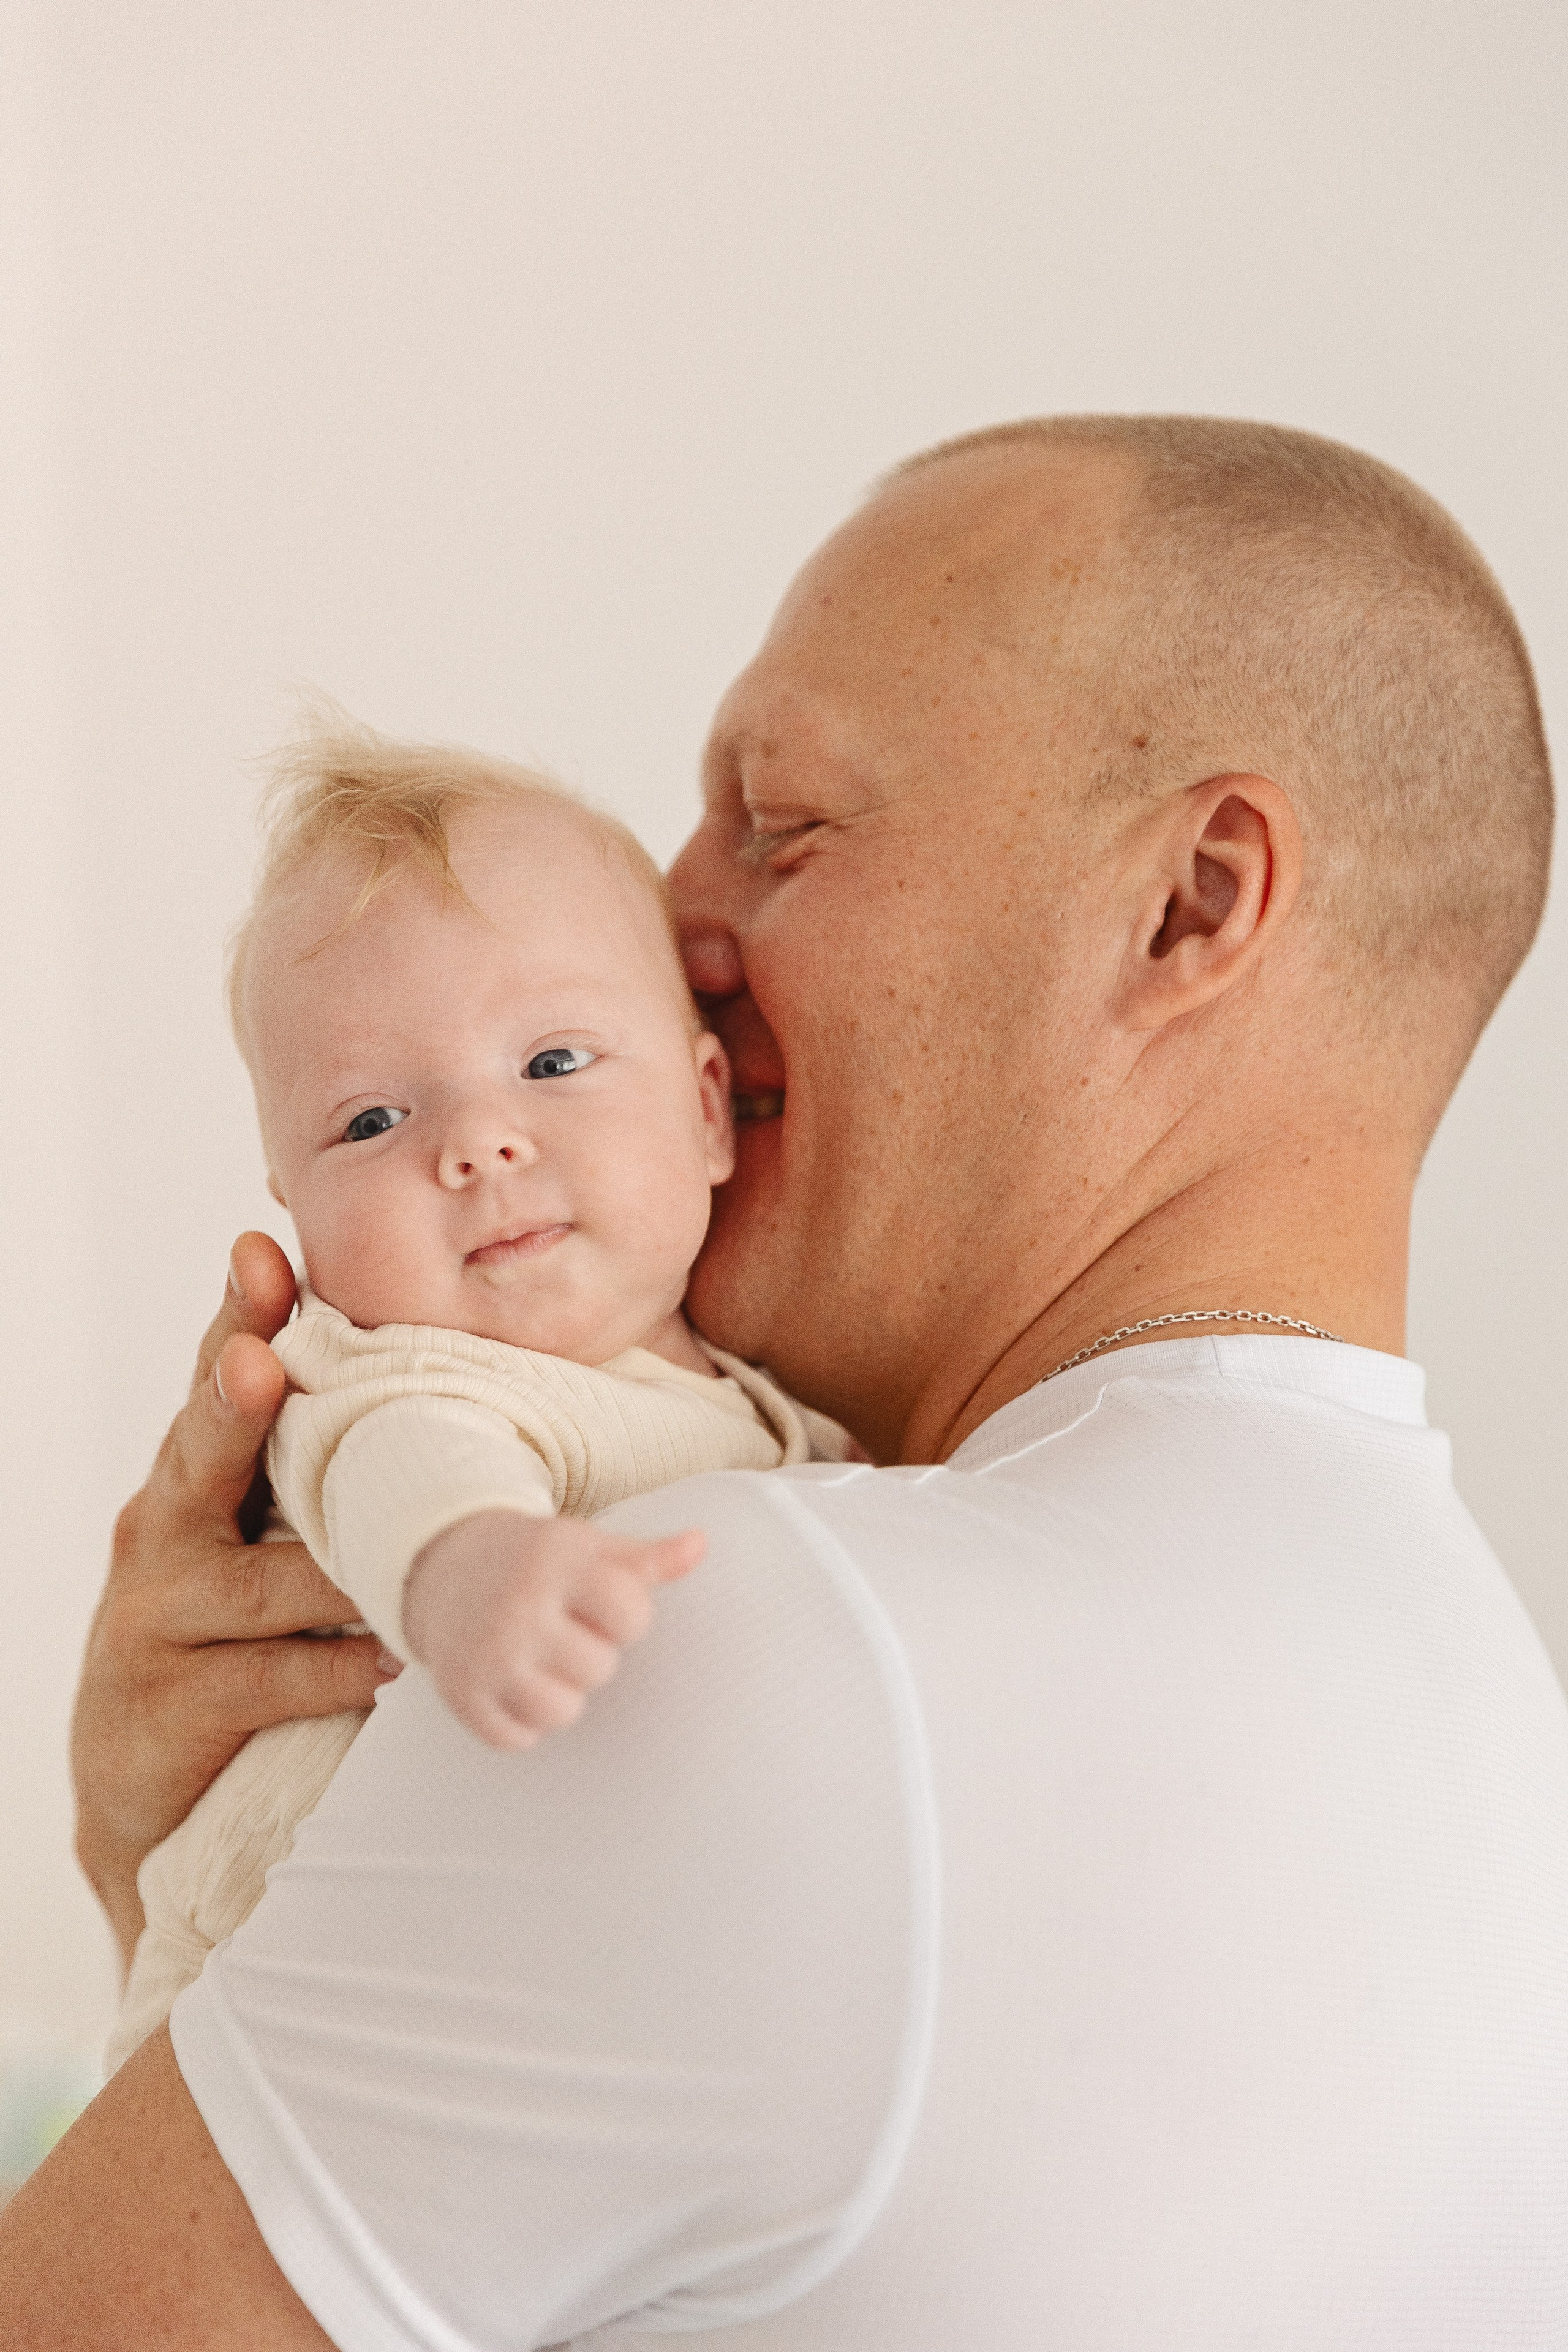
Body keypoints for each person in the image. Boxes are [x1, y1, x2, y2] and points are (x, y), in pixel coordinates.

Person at [6, 415, 1566, 2348]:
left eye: (788, 820)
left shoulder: (742, 1642)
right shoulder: (1503, 1742)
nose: (677, 925)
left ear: (1192, 904)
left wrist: (127, 1860)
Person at [106, 722, 852, 2075]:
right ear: (295, 1209)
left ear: (705, 1111)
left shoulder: (763, 1409)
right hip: (235, 1981)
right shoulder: (395, 1370)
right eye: (371, 1123)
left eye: (554, 1064)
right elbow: (403, 1465)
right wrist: (468, 1567)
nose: (478, 1142)